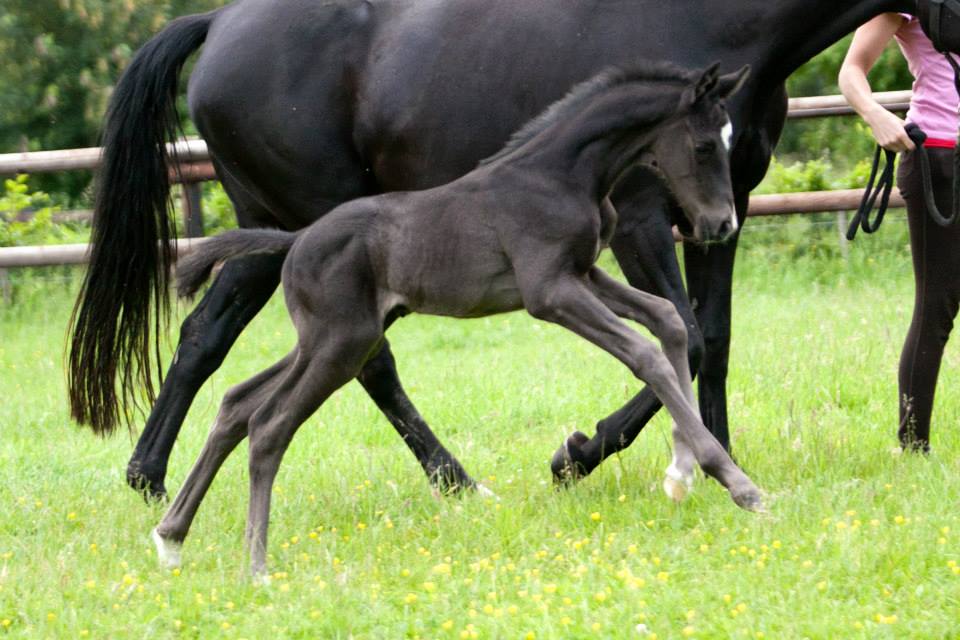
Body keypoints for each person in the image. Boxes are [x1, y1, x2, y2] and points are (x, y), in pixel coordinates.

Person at [839, 13, 960, 452]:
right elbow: (851, 70)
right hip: (941, 159)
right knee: (937, 305)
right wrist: (875, 115)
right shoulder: (906, 1)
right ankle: (913, 444)